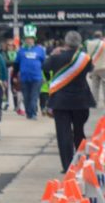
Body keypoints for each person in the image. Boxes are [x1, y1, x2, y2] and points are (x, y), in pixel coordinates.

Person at [43, 29, 95, 170]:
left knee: (63, 134)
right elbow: (91, 69)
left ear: (66, 42)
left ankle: (67, 166)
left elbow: (45, 67)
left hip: (61, 101)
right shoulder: (85, 58)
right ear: (79, 44)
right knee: (79, 131)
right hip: (81, 100)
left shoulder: (56, 57)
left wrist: (52, 54)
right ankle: (81, 162)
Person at [14, 32, 47, 119]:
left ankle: (33, 113)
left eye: (30, 38)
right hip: (24, 78)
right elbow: (16, 64)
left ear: (34, 40)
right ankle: (29, 113)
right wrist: (14, 76)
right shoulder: (21, 51)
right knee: (26, 97)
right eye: (27, 39)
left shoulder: (40, 50)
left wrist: (46, 76)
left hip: (37, 78)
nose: (29, 40)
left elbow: (45, 64)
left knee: (34, 96)